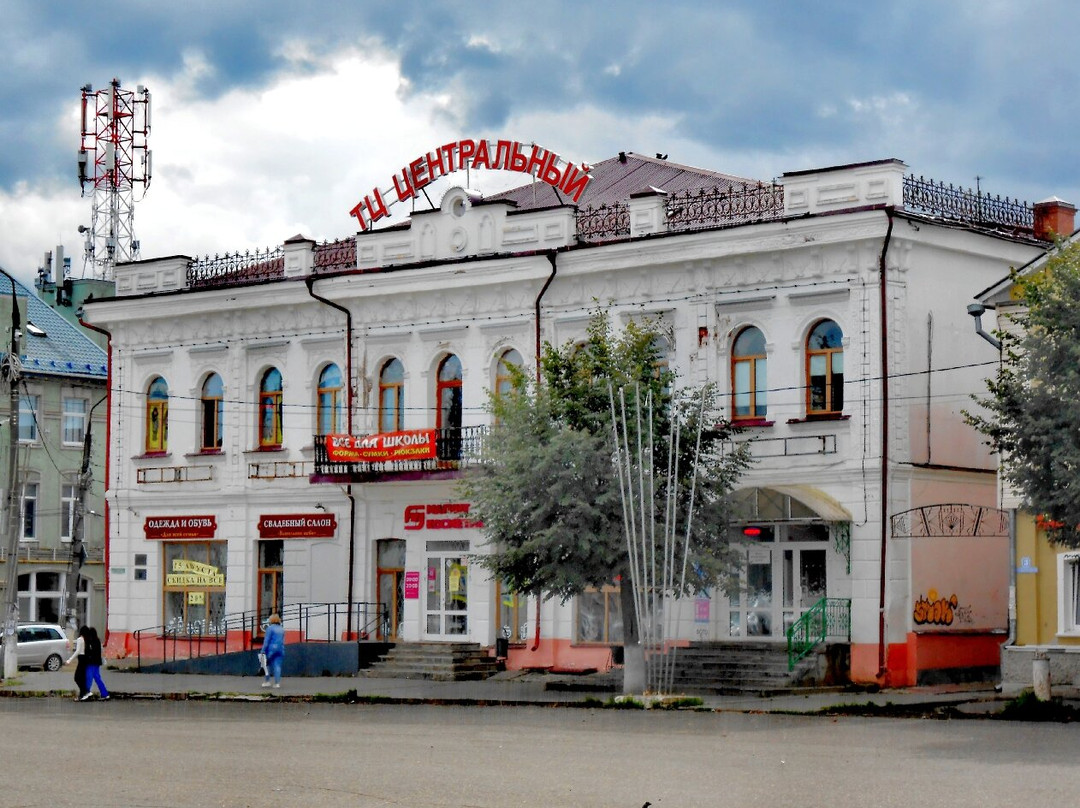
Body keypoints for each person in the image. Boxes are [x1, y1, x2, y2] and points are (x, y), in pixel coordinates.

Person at [84, 627, 110, 700]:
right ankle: (105, 693)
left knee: (88, 678)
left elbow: (90, 652)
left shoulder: (91, 642)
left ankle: (86, 692)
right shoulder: (97, 641)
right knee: (97, 678)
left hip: (91, 663)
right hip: (97, 663)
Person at [260, 613, 285, 689]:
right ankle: (277, 683)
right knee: (277, 666)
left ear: (271, 620)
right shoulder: (281, 629)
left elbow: (266, 641)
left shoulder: (270, 628)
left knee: (266, 665)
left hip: (271, 649)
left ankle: (267, 681)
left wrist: (263, 650)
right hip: (280, 649)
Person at [66, 625, 90, 701]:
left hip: (81, 659)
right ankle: (82, 695)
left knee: (77, 677)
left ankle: (86, 692)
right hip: (86, 659)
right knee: (82, 677)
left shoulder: (80, 639)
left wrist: (69, 660)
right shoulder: (87, 639)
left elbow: (77, 651)